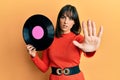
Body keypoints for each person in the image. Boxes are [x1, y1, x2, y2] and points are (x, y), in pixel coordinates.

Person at [26, 4, 103, 80]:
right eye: (63, 17)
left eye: (70, 19)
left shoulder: (78, 38)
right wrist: (34, 56)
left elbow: (87, 50)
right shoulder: (49, 39)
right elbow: (44, 68)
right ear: (59, 19)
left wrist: (91, 50)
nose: (66, 21)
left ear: (74, 22)